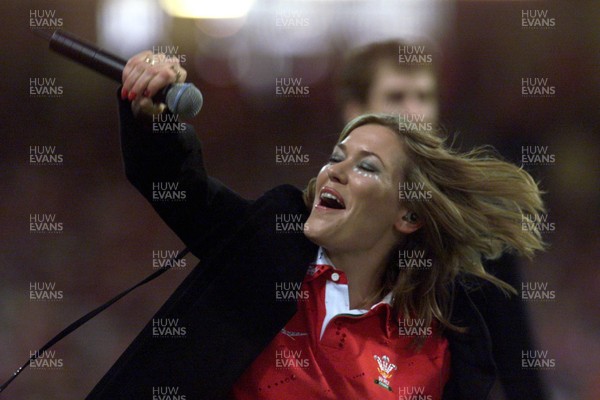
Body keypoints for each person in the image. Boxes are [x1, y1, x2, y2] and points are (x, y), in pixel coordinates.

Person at [88, 52, 546, 399]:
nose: (335, 172)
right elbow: (176, 184)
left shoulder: (441, 346)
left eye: (366, 167)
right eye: (335, 157)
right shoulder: (268, 248)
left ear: (408, 215)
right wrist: (153, 116)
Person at [336, 39, 549, 399]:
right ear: (356, 111)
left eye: (424, 96)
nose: (414, 111)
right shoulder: (318, 218)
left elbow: (518, 364)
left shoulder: (476, 232)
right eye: (396, 97)